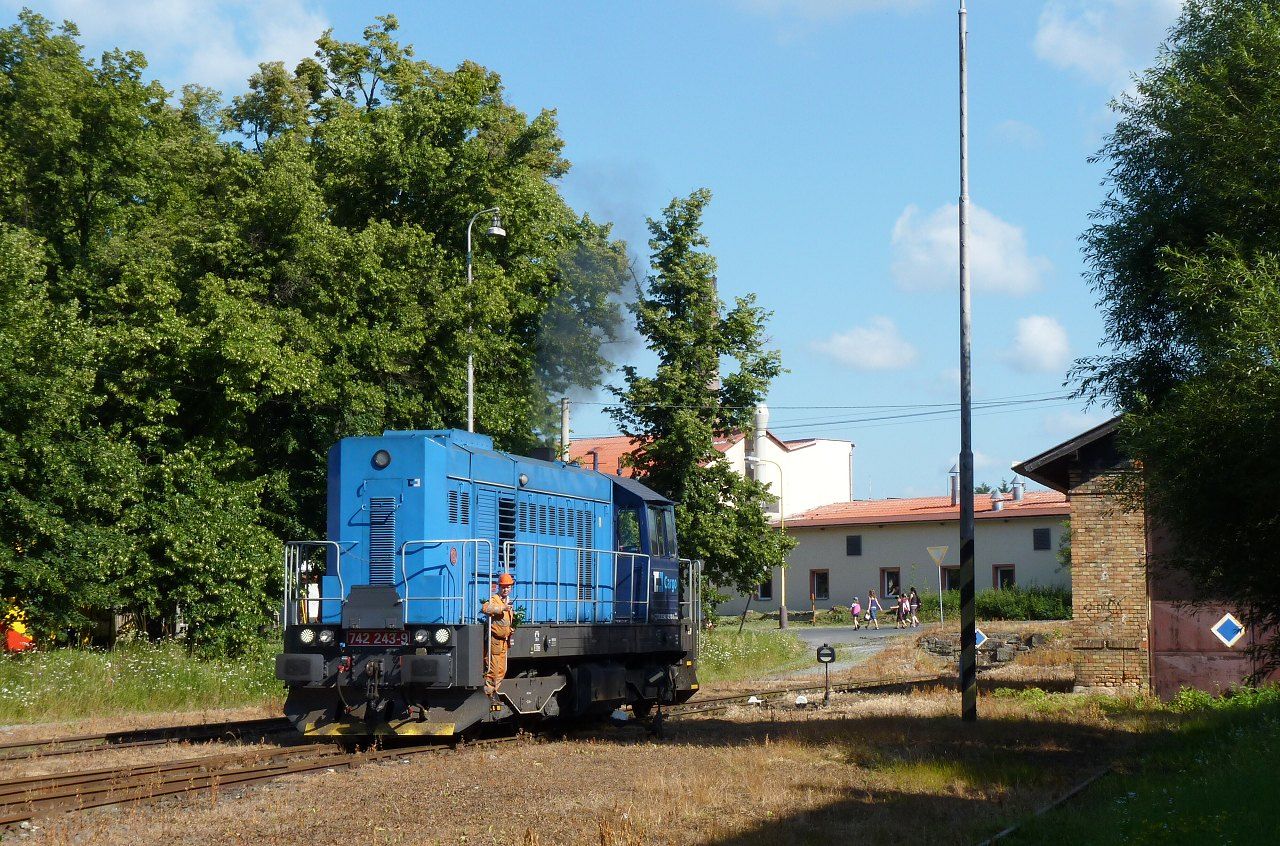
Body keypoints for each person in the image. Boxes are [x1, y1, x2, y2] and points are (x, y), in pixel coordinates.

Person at [481, 572, 516, 697]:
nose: (506, 589)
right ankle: (486, 695)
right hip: (494, 642)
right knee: (493, 671)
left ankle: (493, 693)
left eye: (508, 587)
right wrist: (502, 608)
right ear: (499, 587)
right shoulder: (494, 599)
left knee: (502, 670)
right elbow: (485, 608)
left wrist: (510, 630)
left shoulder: (508, 601)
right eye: (503, 587)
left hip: (504, 642)